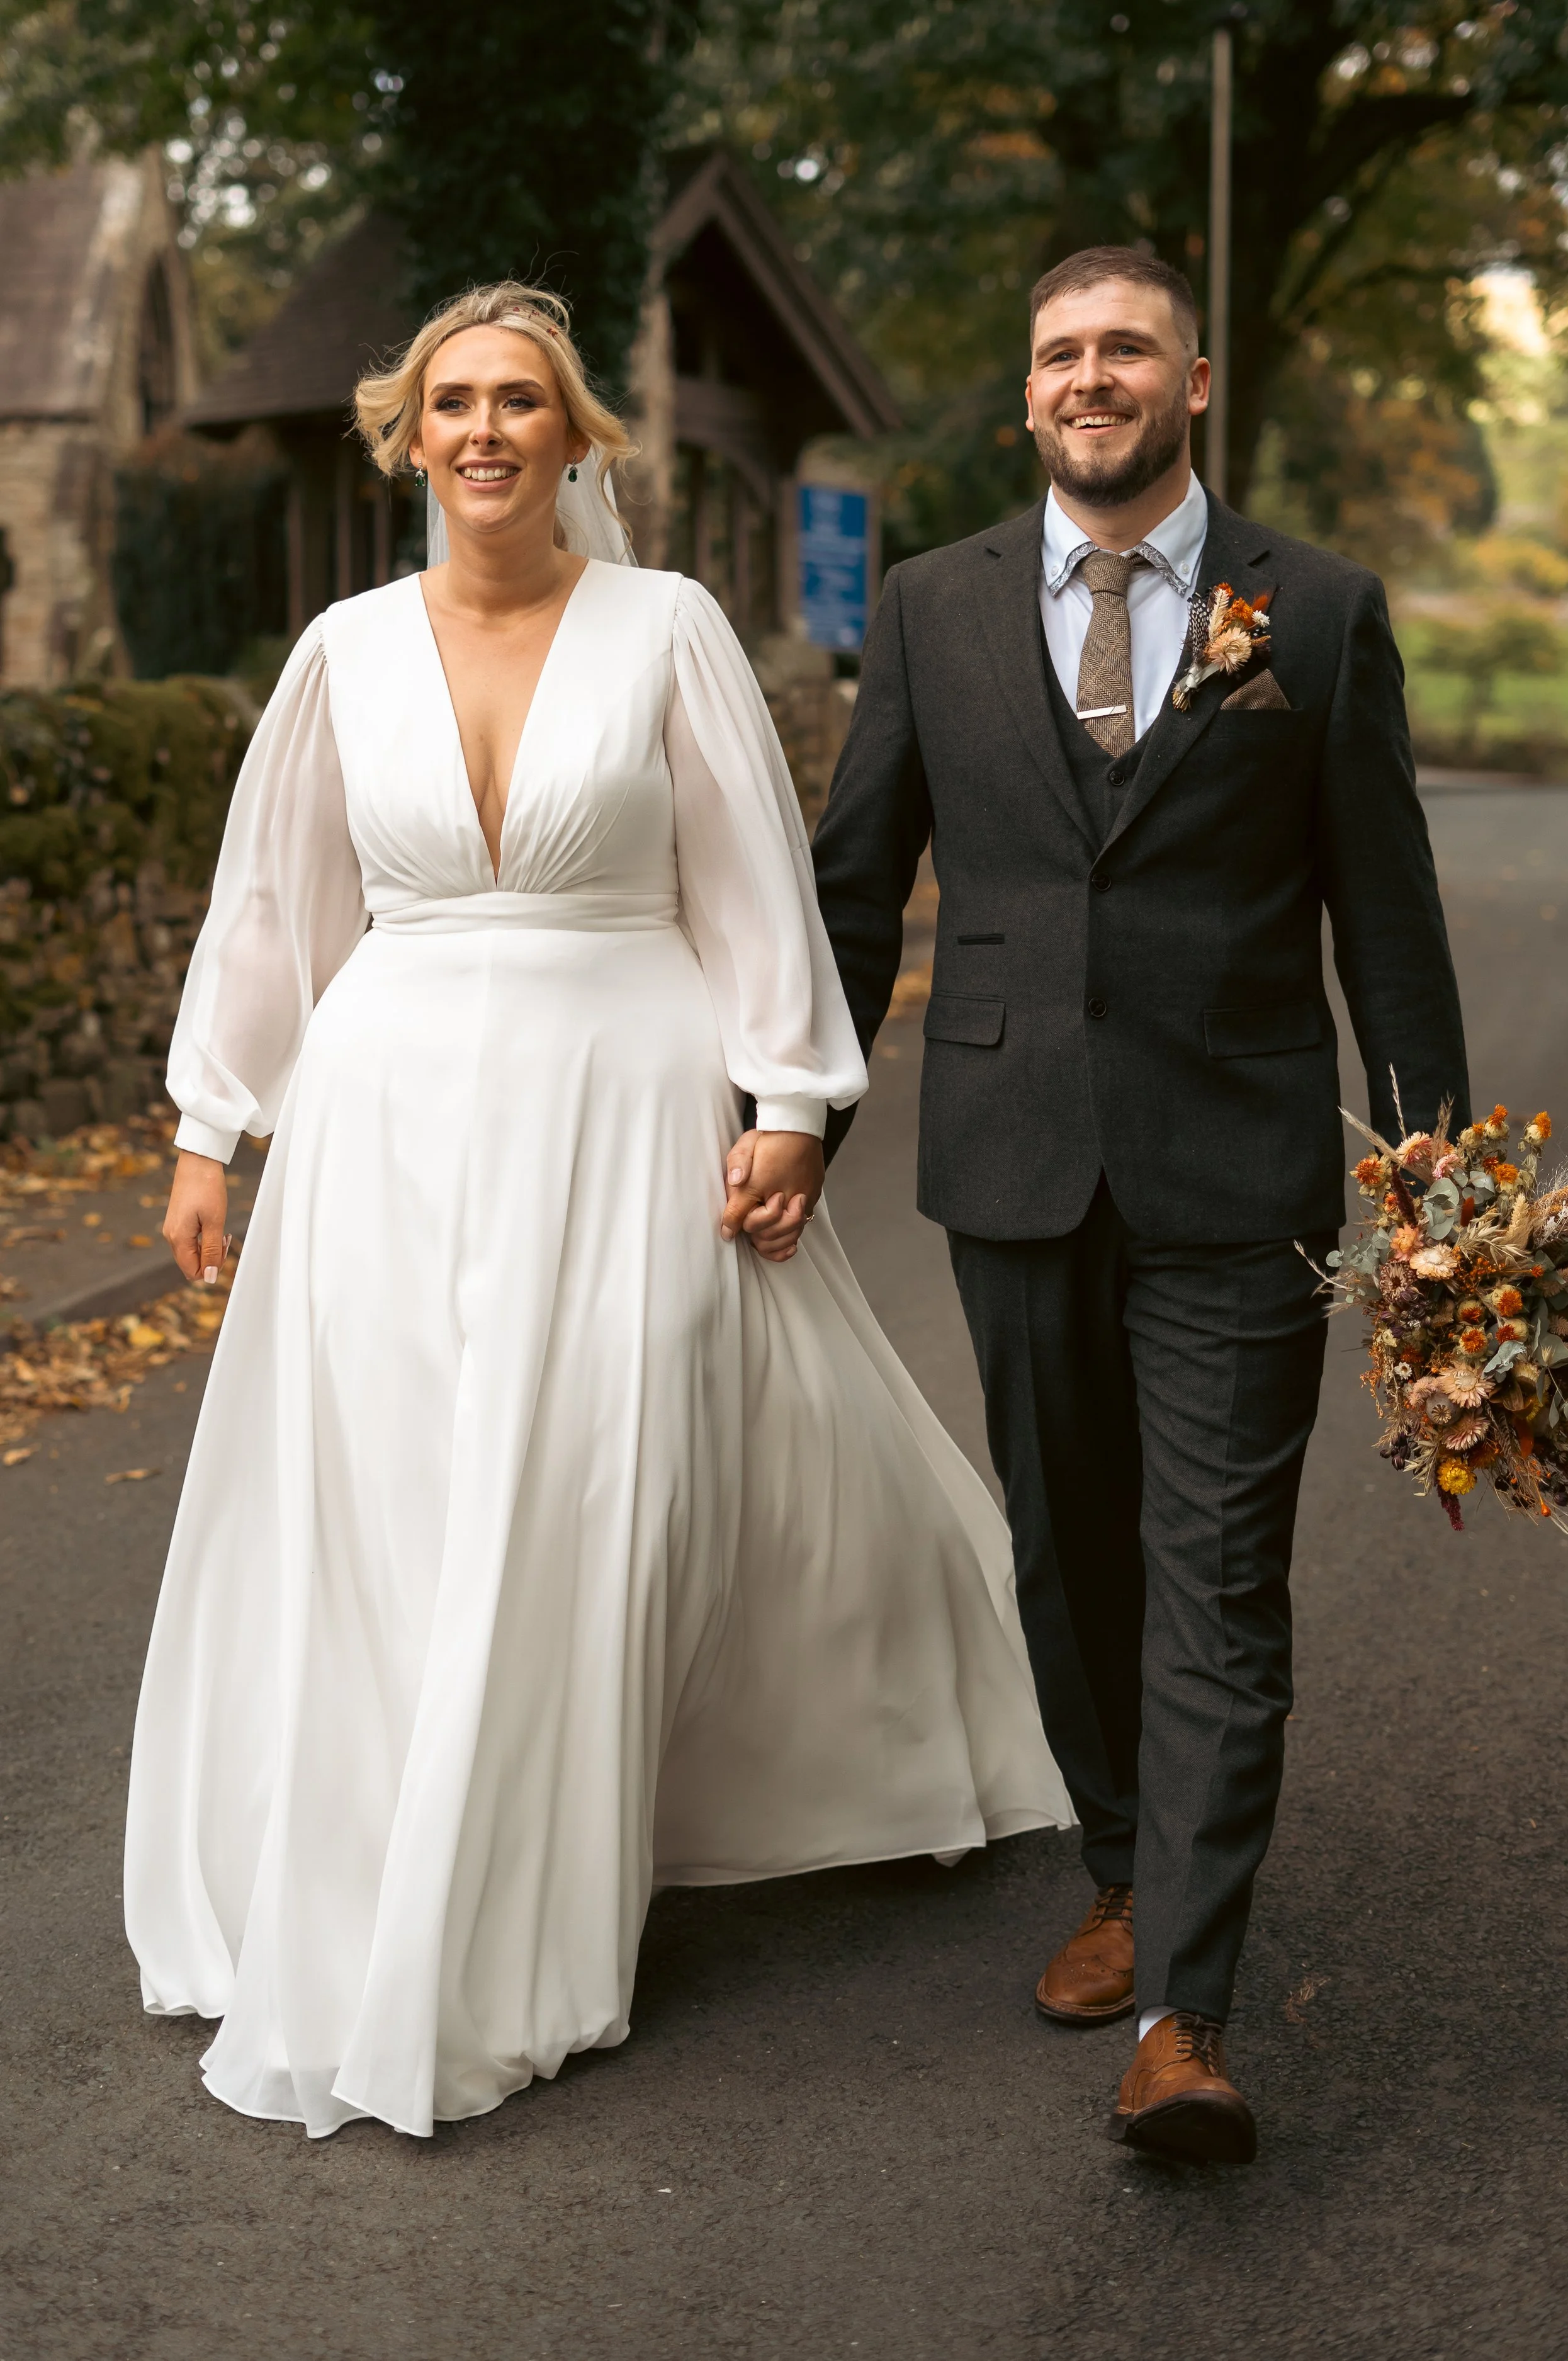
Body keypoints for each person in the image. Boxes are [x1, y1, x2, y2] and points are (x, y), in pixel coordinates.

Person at [123, 283, 1071, 2141]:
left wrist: (787, 1100)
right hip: (384, 1125)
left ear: (576, 436)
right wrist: (208, 1130)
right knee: (403, 1494)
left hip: (625, 1100)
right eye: (453, 402)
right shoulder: (341, 652)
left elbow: (748, 876)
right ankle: (392, 1869)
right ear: (408, 436)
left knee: (588, 1485)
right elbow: (274, 904)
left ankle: (536, 1902)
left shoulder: (668, 627)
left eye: (521, 400)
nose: (485, 430)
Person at [810, 245, 1469, 2165]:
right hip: (1011, 1151)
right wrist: (789, 1117)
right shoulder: (932, 608)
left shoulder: (1313, 611)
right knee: (1068, 1551)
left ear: (1192, 381)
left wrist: (1434, 1181)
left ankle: (1185, 2007)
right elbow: (854, 882)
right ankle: (1119, 1862)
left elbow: (1387, 913)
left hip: (1236, 1164)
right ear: (1028, 394)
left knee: (1216, 1572)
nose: (1086, 377)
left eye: (1123, 348)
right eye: (1056, 354)